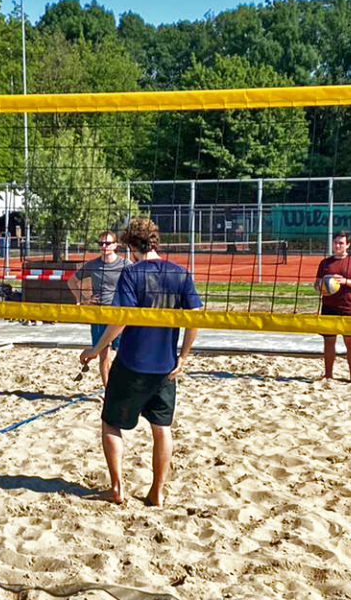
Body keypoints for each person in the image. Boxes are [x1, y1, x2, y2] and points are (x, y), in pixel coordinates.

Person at [80, 217, 201, 507]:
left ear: (132, 245)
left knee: (110, 422)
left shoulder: (131, 274)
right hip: (165, 366)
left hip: (132, 364)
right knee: (162, 429)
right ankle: (157, 492)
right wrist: (182, 357)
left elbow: (121, 320)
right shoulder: (180, 274)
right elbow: (196, 318)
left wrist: (97, 349)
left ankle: (117, 488)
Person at [67, 229, 128, 385]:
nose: (104, 246)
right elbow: (72, 281)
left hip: (119, 315)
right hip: (99, 314)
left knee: (123, 356)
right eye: (101, 243)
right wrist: (83, 299)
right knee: (103, 357)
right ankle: (108, 391)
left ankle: (123, 389)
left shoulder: (126, 264)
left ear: (115, 245)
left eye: (108, 243)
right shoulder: (92, 265)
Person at [313, 231, 351, 382]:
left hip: (348, 307)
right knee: (329, 341)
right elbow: (316, 285)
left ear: (347, 245)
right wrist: (325, 283)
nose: (338, 245)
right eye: (336, 242)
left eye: (341, 243)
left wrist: (345, 281)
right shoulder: (325, 263)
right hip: (328, 306)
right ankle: (328, 375)